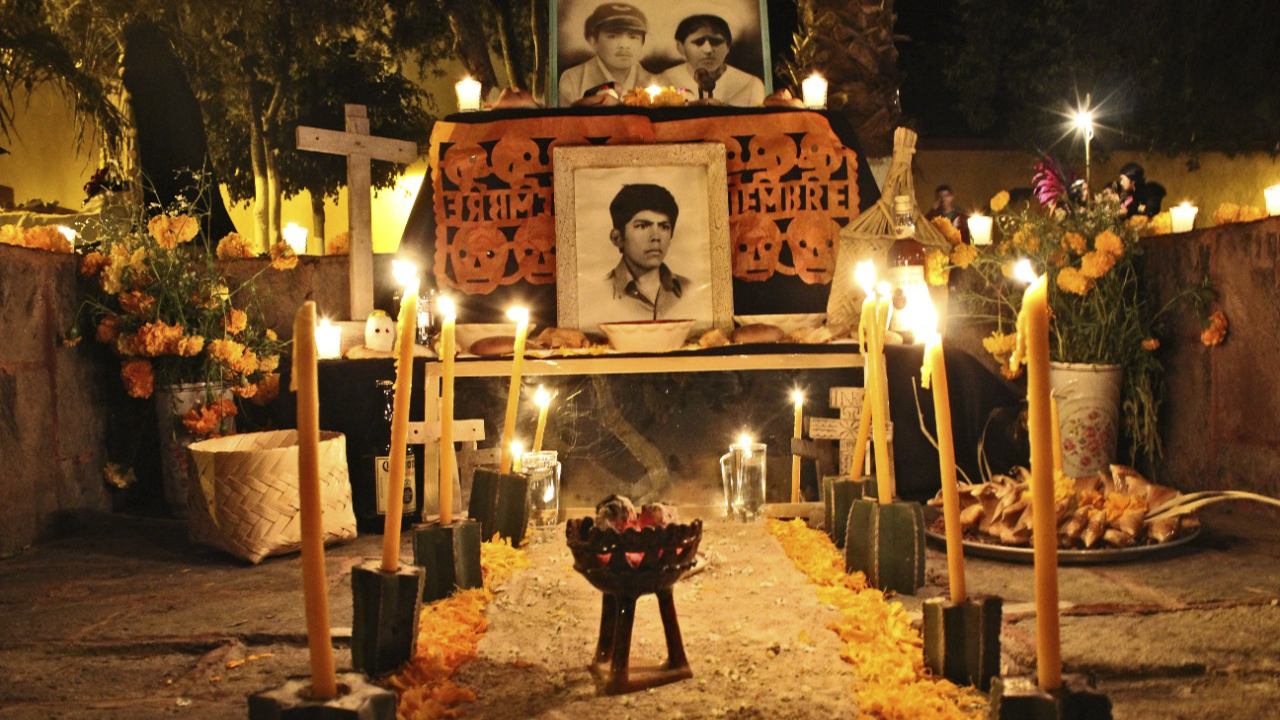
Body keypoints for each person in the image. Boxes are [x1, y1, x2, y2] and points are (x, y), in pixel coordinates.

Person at [602, 184, 694, 322]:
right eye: (643, 226)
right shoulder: (601, 293)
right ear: (618, 238)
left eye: (664, 227)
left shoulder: (689, 290)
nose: (656, 236)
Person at [653, 15, 765, 107]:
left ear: (728, 47)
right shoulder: (664, 82)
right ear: (680, 47)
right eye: (698, 42)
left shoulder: (751, 85)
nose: (708, 50)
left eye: (716, 42)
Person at [558, 3, 653, 106]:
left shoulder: (653, 82)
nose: (624, 45)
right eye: (613, 36)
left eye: (633, 37)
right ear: (593, 40)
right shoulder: (573, 80)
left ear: (643, 42)